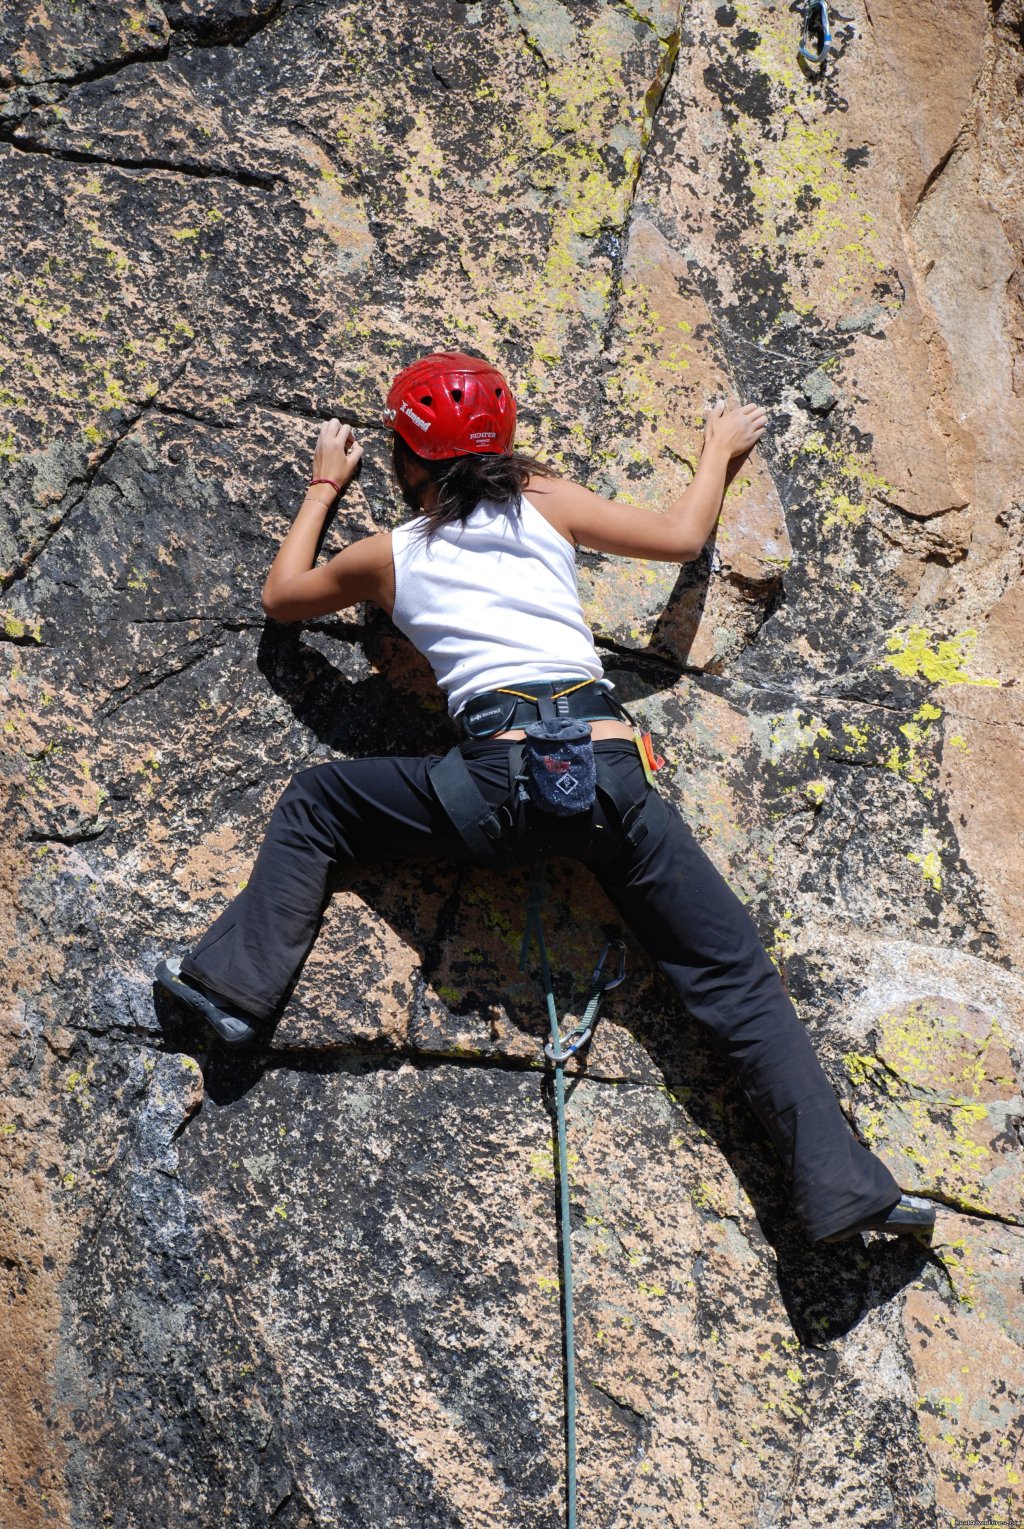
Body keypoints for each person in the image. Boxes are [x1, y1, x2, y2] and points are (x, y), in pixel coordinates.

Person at [156, 351, 934, 1246]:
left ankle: (234, 993)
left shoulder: (392, 555)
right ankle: (843, 1192)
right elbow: (683, 540)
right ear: (506, 442)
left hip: (492, 788)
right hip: (608, 777)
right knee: (732, 975)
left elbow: (282, 598)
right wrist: (716, 449)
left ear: (408, 460)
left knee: (317, 805)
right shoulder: (546, 502)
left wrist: (325, 486)